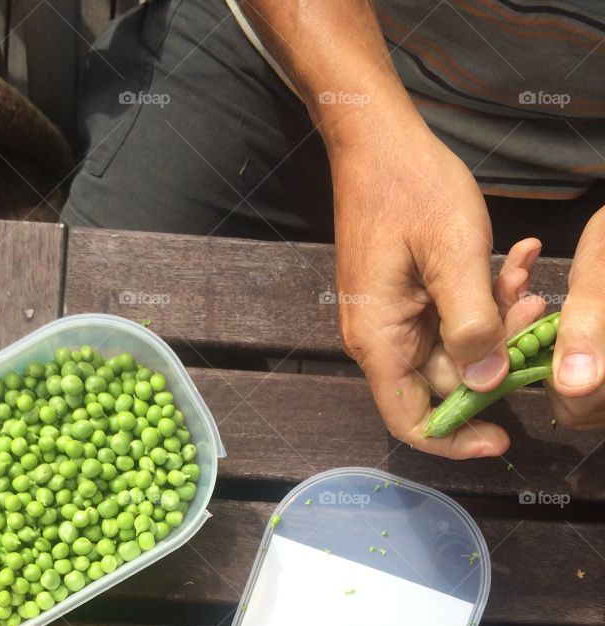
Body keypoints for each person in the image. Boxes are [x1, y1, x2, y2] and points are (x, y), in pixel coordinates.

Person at [63, 0, 605, 459]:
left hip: (578, 163)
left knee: (555, 439)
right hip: (281, 52)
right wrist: (362, 128)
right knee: (94, 360)